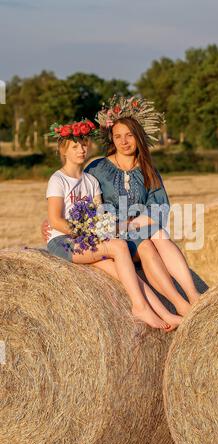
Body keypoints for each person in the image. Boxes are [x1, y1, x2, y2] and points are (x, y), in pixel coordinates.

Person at [42, 97, 200, 316]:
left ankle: (194, 296)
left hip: (138, 229)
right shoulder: (97, 169)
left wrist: (132, 224)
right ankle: (178, 303)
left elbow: (159, 207)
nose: (124, 141)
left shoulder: (148, 170)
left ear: (138, 137)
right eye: (118, 136)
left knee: (158, 234)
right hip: (112, 233)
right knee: (147, 243)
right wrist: (54, 221)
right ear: (112, 139)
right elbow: (78, 198)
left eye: (129, 135)